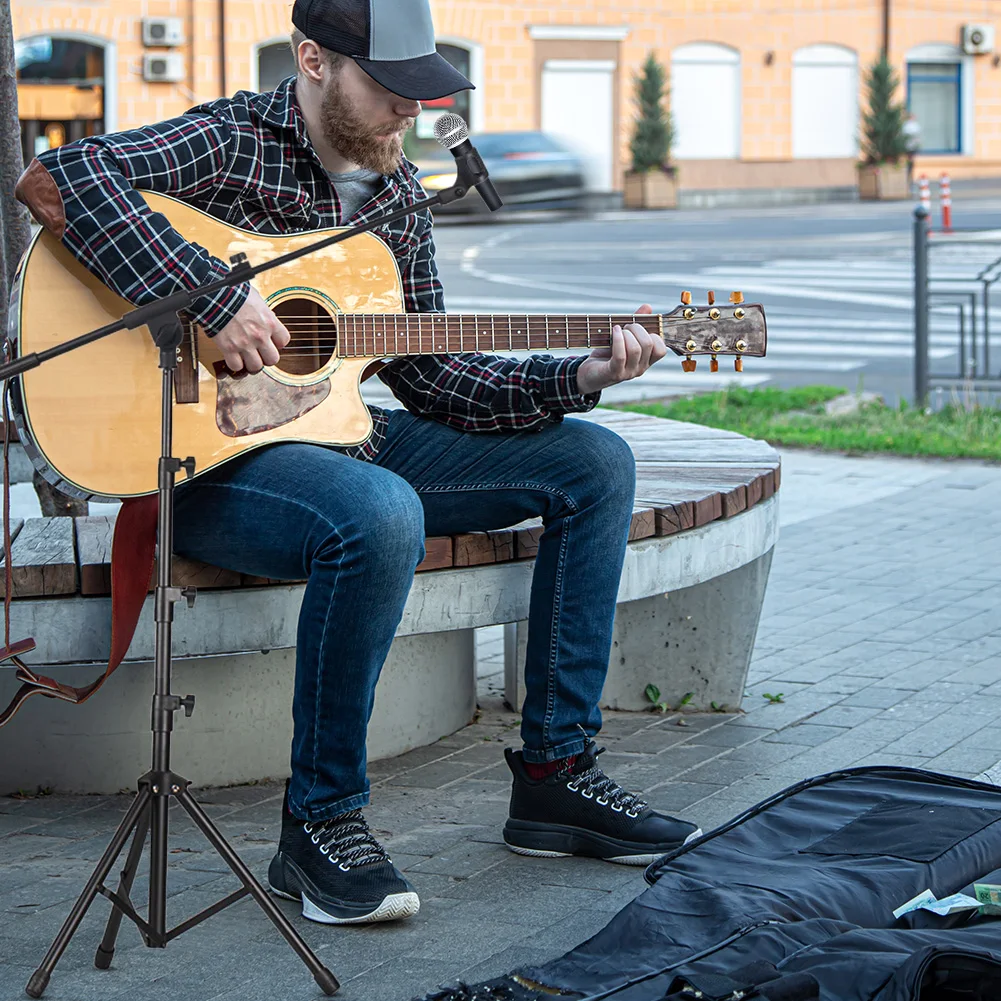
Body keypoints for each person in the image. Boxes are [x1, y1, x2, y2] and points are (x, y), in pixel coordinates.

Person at [22, 0, 700, 927]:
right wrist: (212, 300)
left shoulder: (397, 192)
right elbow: (58, 178)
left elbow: (433, 377)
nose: (411, 112)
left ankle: (554, 776)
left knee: (594, 463)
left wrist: (577, 374)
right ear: (313, 61)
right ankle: (320, 823)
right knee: (379, 511)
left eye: (423, 91)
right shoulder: (233, 142)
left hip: (339, 438)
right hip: (203, 465)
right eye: (391, 89)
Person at [903, 112, 921, 190]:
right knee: (909, 164)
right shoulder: (906, 126)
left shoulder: (915, 125)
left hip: (913, 148)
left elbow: (917, 137)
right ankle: (908, 180)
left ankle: (910, 180)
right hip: (908, 148)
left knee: (911, 164)